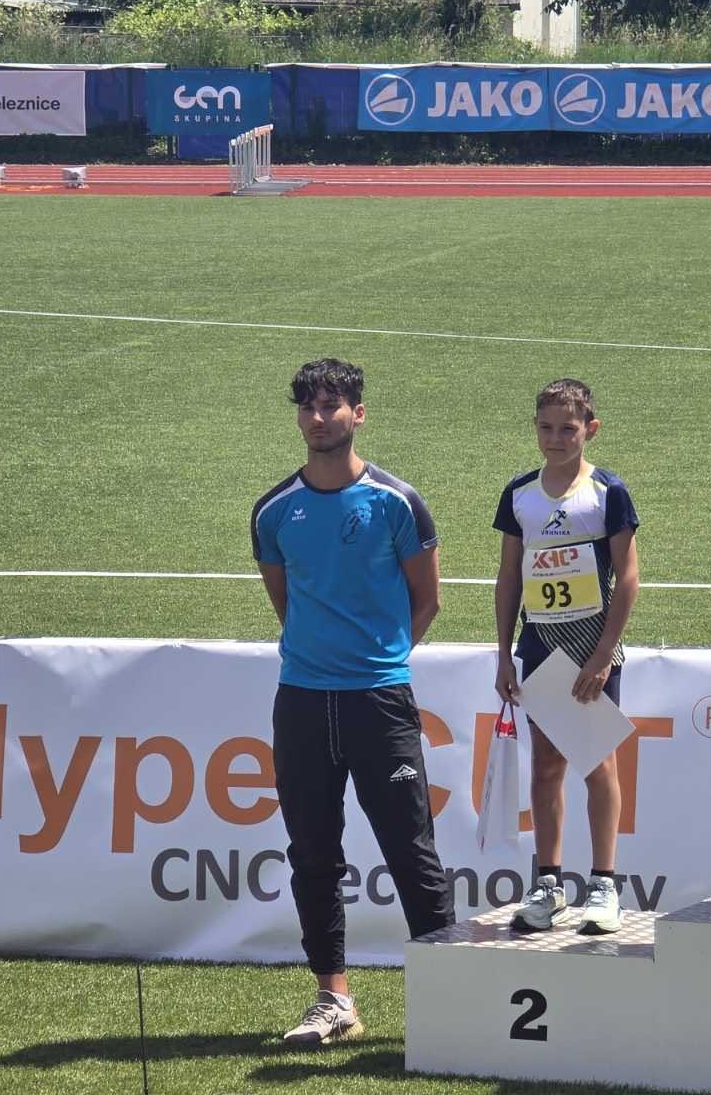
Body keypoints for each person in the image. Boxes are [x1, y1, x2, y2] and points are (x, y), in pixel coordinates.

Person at [251, 358, 454, 1045]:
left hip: (379, 703)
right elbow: (286, 604)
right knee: (312, 855)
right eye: (307, 406)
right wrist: (325, 659)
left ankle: (448, 1000)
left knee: (411, 851)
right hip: (303, 703)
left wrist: (379, 662)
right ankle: (333, 1000)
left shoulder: (397, 502)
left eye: (331, 406)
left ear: (358, 414)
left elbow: (427, 601)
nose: (318, 418)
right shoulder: (274, 511)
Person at [493, 379, 640, 934]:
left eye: (568, 429)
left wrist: (602, 655)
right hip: (540, 648)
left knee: (598, 764)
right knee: (547, 764)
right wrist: (504, 655)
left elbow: (627, 578)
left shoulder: (607, 493)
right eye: (546, 428)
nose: (555, 438)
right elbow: (509, 578)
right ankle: (548, 885)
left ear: (590, 430)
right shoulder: (520, 494)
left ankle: (604, 885)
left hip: (591, 650)